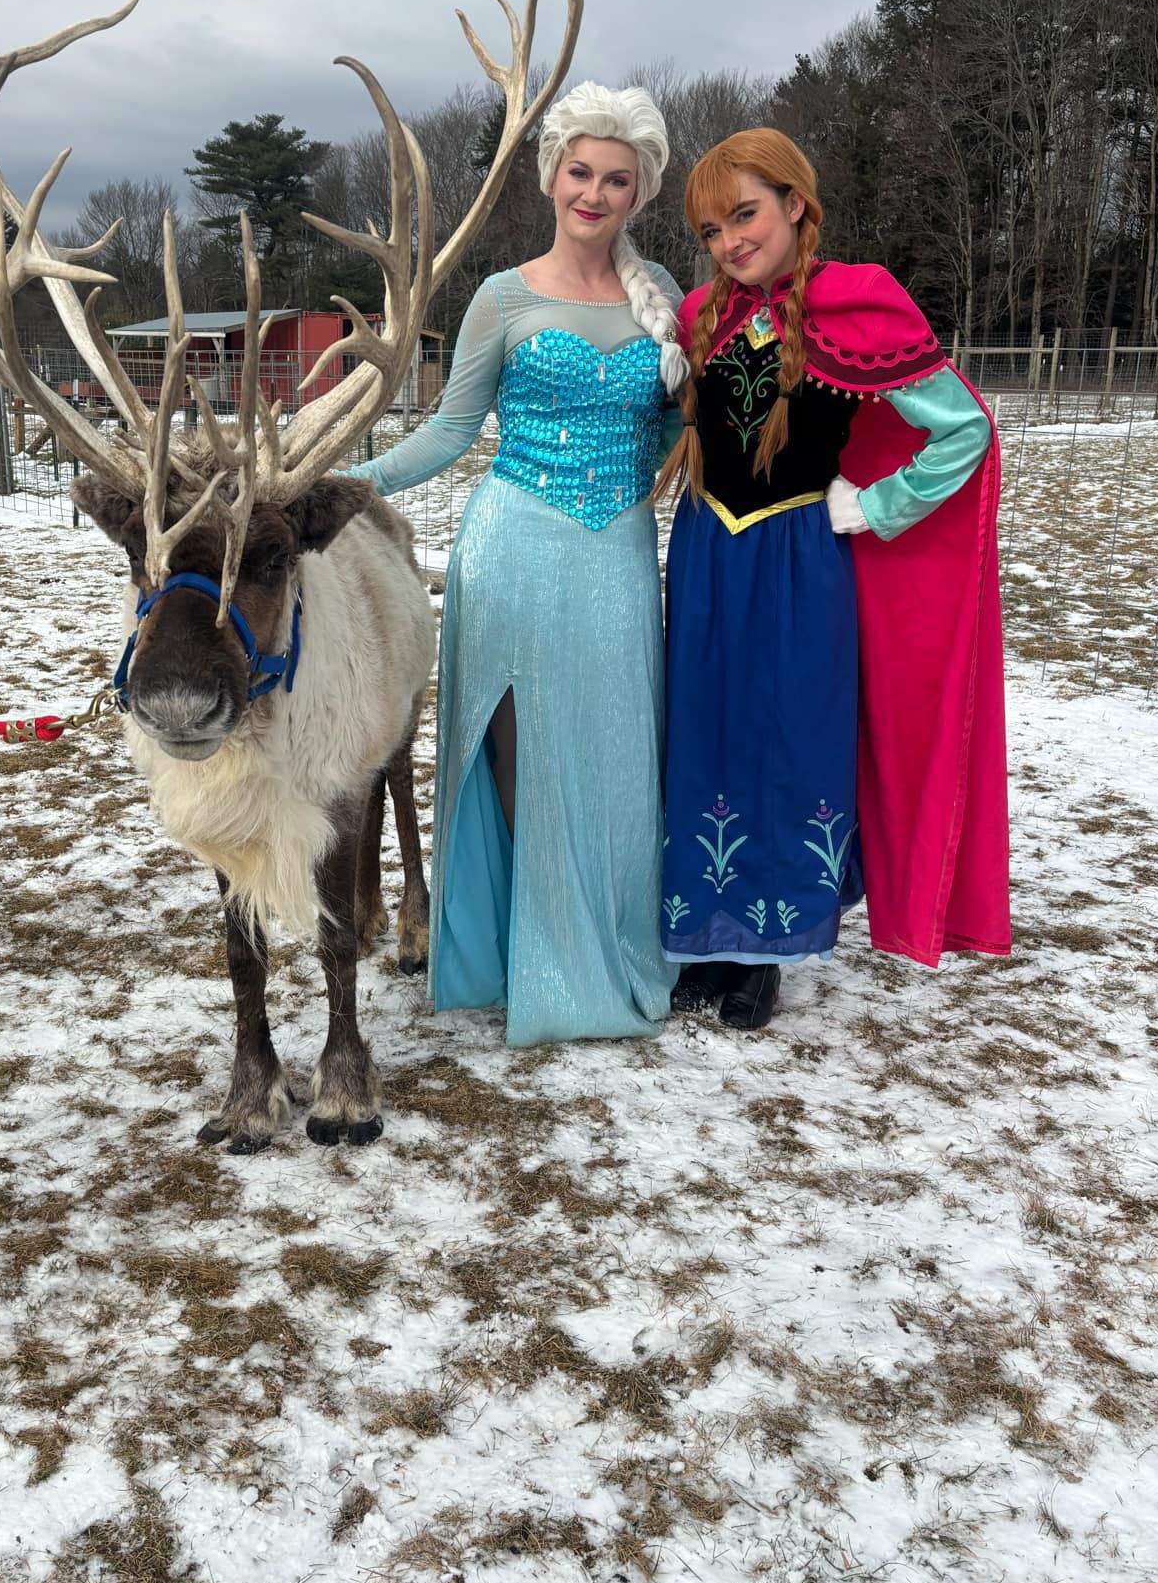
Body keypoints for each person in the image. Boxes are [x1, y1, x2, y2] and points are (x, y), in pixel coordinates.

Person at [657, 129, 1009, 1029]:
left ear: (795, 204)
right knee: (702, 734)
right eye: (712, 230)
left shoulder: (859, 306)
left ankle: (768, 951)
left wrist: (876, 507)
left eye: (745, 215)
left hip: (799, 561)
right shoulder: (701, 312)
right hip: (703, 557)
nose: (732, 242)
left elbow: (963, 431)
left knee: (786, 741)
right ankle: (710, 937)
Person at [358, 82, 687, 1043]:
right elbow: (449, 432)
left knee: (620, 757)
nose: (594, 193)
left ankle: (602, 944)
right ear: (551, 178)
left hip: (620, 557)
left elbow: (685, 430)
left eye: (616, 179)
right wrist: (345, 480)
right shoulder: (502, 298)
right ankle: (524, 953)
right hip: (510, 550)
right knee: (517, 757)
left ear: (639, 192)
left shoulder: (661, 298)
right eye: (580, 172)